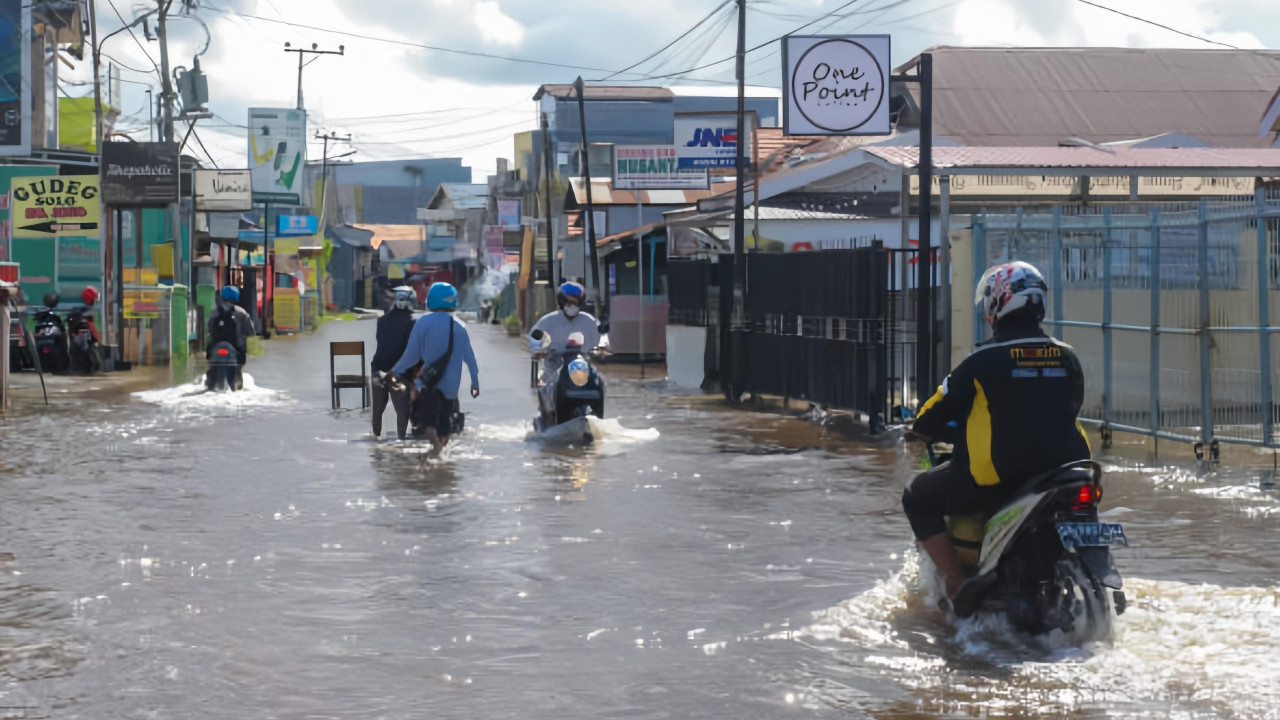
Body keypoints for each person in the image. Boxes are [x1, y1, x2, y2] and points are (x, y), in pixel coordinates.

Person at [902, 261, 1091, 616]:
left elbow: (929, 418)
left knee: (916, 496)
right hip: (1066, 472)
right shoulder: (1069, 357)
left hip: (994, 480)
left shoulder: (981, 361)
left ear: (998, 304)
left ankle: (956, 582)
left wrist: (922, 429)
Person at [391, 282, 480, 458]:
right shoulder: (460, 327)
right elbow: (469, 358)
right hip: (451, 386)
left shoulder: (423, 323)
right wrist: (475, 382)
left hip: (428, 381)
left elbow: (412, 355)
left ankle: (432, 444)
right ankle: (441, 451)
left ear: (431, 299)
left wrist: (395, 370)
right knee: (445, 418)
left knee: (426, 417)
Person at [371, 286, 417, 440]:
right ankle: (402, 444)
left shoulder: (381, 321)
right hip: (399, 374)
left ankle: (375, 440)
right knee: (404, 415)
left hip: (377, 370)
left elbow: (382, 343)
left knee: (377, 411)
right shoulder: (413, 322)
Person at [207, 285, 254, 367]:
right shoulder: (242, 313)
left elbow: (209, 329)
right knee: (238, 370)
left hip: (216, 346)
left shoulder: (214, 312)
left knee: (211, 363)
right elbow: (250, 332)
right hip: (237, 347)